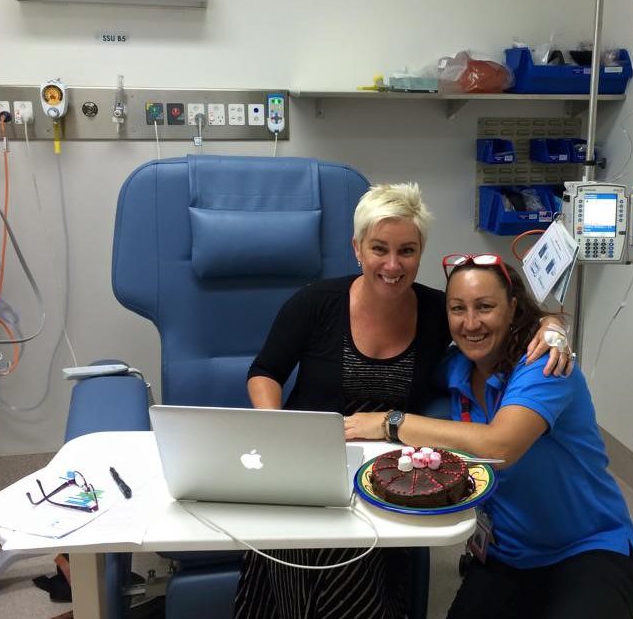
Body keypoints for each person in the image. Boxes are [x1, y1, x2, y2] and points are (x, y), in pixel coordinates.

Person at [235, 183, 573, 619]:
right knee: (306, 550)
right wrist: (276, 427)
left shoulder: (439, 312)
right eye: (379, 248)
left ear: (420, 252)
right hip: (309, 466)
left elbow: (503, 315)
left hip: (393, 479)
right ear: (357, 249)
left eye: (407, 251)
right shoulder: (315, 303)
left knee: (357, 560)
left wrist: (552, 326)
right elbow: (265, 371)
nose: (393, 265)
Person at [344, 254, 633, 619]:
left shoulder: (546, 365)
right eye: (458, 308)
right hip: (508, 556)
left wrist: (390, 422)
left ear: (513, 308)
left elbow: (500, 447)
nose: (471, 322)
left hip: (590, 550)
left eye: (485, 306)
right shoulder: (454, 368)